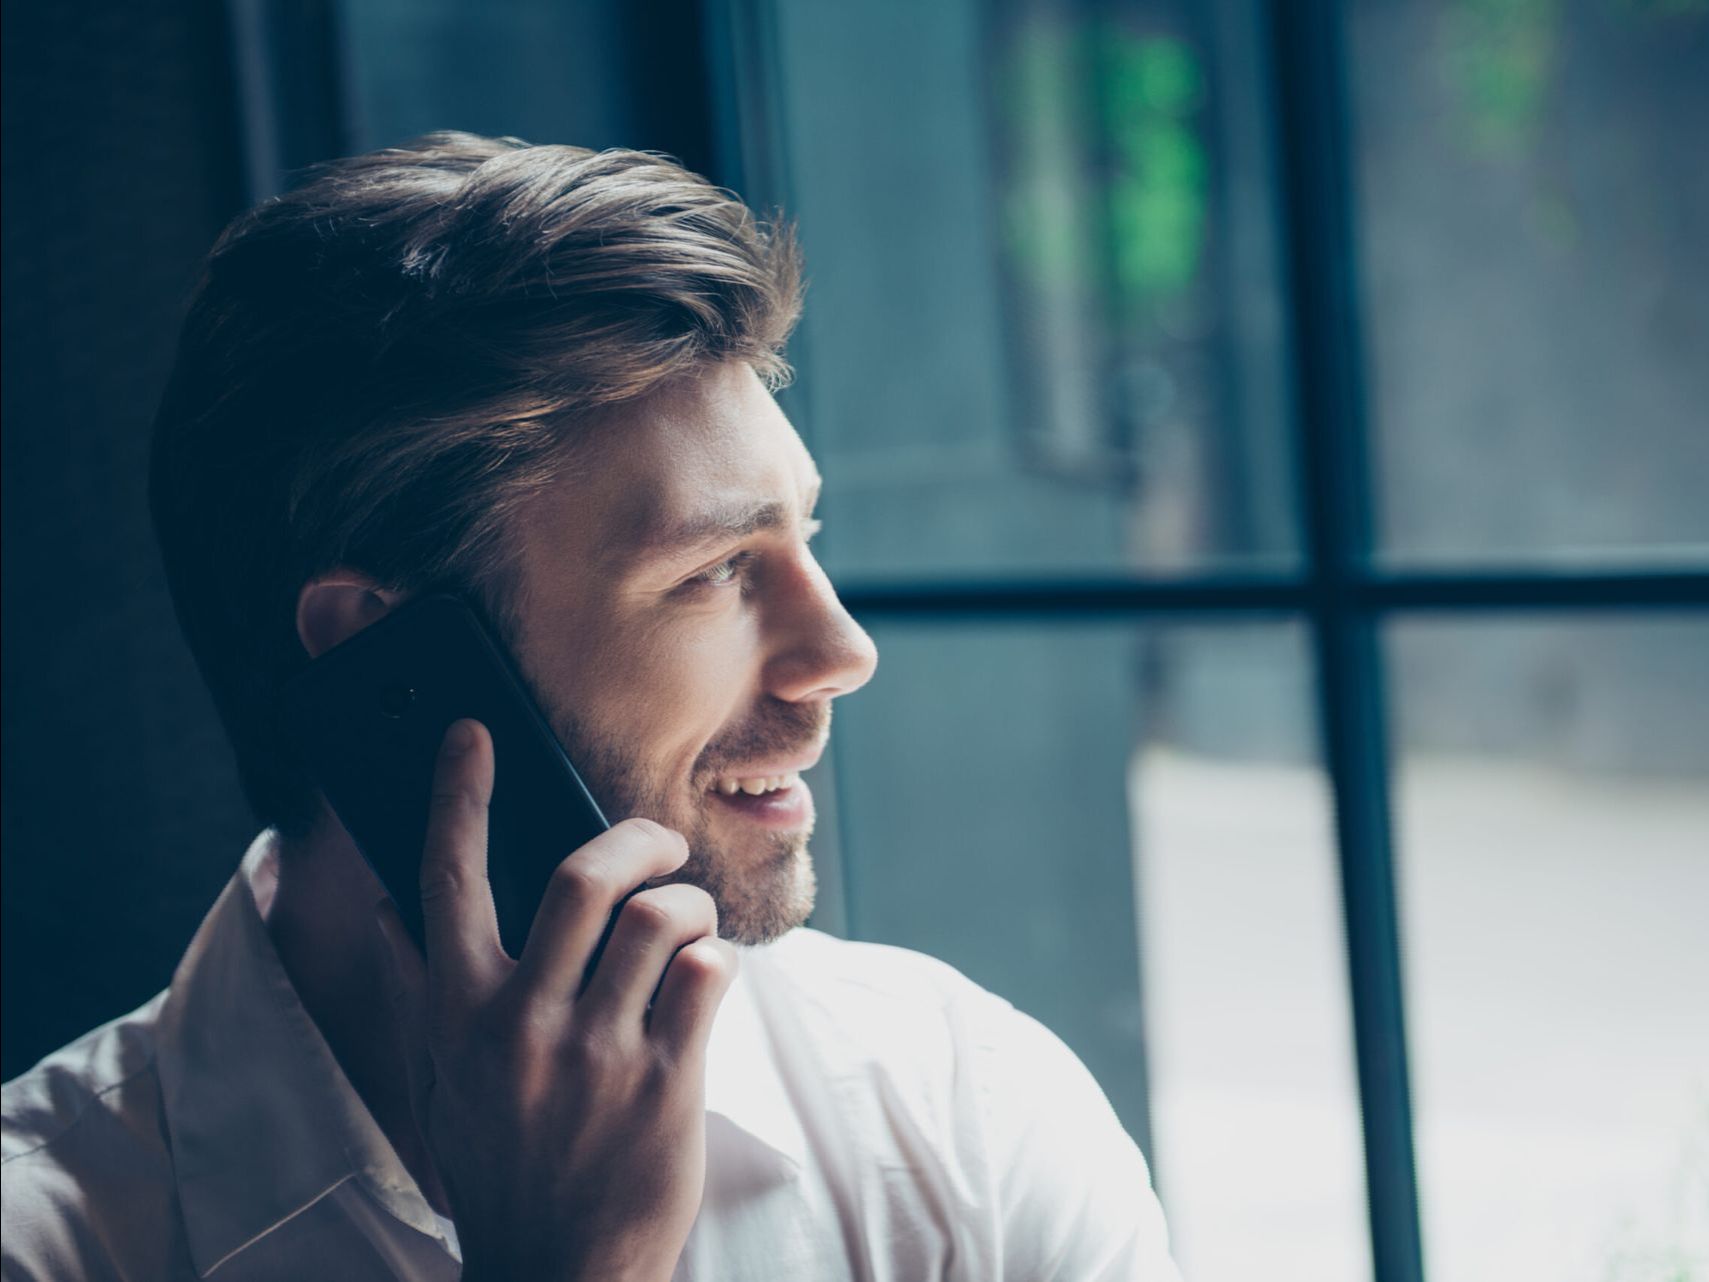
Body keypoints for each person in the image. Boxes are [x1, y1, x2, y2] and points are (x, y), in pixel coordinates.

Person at [1, 133, 1178, 1281]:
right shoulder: (43, 1238)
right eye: (711, 570)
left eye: (801, 537)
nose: (840, 651)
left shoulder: (957, 1113)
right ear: (381, 653)